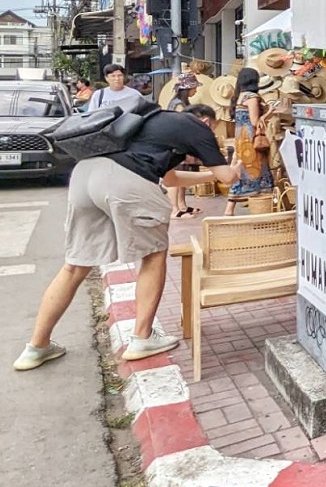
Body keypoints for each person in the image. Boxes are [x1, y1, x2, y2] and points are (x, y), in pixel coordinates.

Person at [14, 104, 242, 371]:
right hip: (125, 179)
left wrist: (206, 176)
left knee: (75, 265)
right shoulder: (196, 127)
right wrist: (235, 168)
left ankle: (36, 347)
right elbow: (226, 176)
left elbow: (169, 180)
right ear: (206, 120)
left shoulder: (149, 122)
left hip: (85, 177)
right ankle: (142, 338)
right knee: (154, 255)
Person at [225, 67, 275, 215]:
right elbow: (254, 121)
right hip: (251, 140)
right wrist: (269, 113)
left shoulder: (239, 96)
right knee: (258, 170)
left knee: (240, 172)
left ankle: (230, 208)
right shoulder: (252, 97)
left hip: (241, 139)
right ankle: (263, 207)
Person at [167, 74, 200, 219]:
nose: (196, 90)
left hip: (178, 142)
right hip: (176, 143)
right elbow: (181, 125)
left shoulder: (179, 102)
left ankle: (182, 205)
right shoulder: (179, 105)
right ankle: (174, 209)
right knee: (175, 176)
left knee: (181, 174)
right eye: (194, 87)